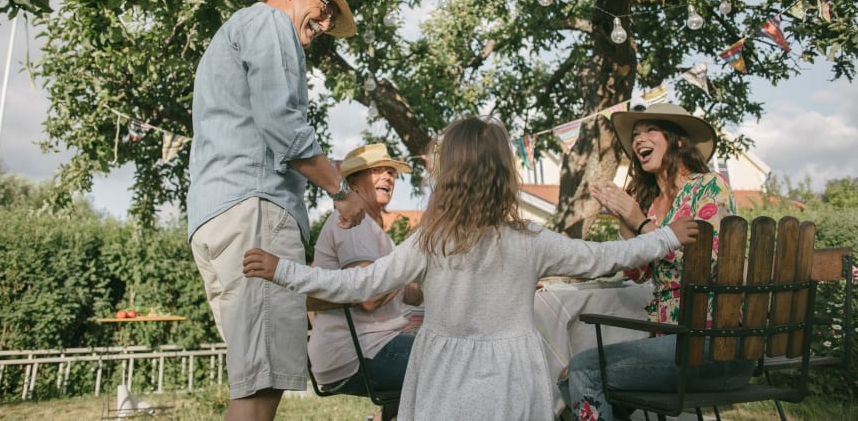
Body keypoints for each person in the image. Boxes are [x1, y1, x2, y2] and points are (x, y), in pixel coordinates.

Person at [241, 116, 700, 420]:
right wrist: (664, 236)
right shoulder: (532, 241)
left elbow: (358, 282)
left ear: (449, 175)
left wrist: (284, 270)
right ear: (505, 174)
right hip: (514, 370)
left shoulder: (432, 238)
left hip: (444, 371)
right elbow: (605, 257)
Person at [186, 0, 365, 421]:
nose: (325, 23)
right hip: (257, 212)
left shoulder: (237, 30)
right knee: (261, 386)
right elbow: (282, 124)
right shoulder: (271, 24)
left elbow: (257, 128)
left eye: (331, 15)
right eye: (324, 7)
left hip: (219, 214)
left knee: (254, 378)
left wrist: (331, 168)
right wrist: (341, 195)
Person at [562, 102, 753, 421]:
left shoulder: (708, 186)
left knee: (584, 370)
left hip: (713, 345)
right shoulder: (651, 204)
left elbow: (707, 263)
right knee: (573, 377)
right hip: (673, 344)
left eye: (650, 130)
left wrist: (640, 223)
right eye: (635, 134)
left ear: (678, 140)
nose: (639, 139)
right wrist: (626, 220)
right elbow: (638, 273)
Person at [309, 143, 423, 421]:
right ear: (353, 183)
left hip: (370, 346)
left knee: (444, 348)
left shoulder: (375, 231)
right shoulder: (352, 224)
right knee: (454, 362)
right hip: (358, 353)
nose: (388, 177)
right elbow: (369, 296)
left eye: (391, 172)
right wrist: (411, 260)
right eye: (376, 170)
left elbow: (412, 294)